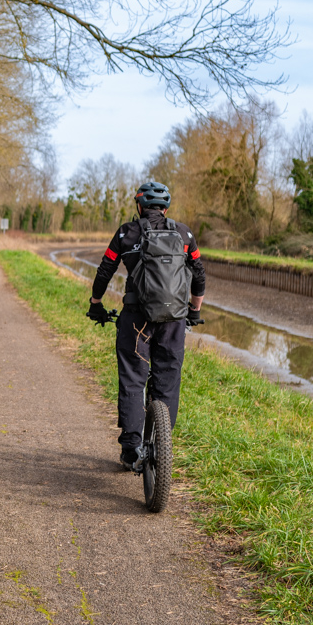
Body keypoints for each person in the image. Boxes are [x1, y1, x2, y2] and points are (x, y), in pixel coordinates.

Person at [86, 180, 205, 468]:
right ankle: (163, 442)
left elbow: (105, 270)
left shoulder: (127, 232)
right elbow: (199, 275)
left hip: (136, 319)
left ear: (139, 206)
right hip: (173, 321)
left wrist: (96, 304)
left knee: (132, 377)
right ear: (165, 207)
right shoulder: (184, 233)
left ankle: (130, 449)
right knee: (168, 378)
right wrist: (193, 310)